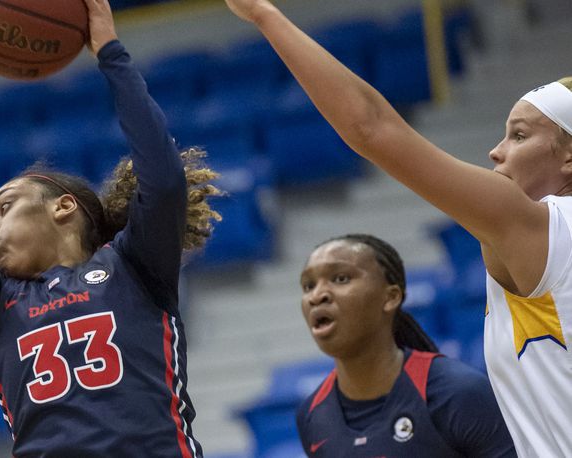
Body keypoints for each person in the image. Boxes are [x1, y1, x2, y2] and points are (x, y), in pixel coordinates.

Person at [224, 0, 572, 456]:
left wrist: (263, 14)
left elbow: (372, 128)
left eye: (520, 135)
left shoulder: (543, 229)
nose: (496, 151)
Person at [0, 0, 221, 455]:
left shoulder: (134, 267)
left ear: (64, 207)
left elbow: (164, 180)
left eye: (5, 207)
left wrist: (110, 53)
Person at [297, 234, 515, 457]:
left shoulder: (459, 393)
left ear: (391, 297)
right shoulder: (312, 414)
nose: (316, 296)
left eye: (341, 278)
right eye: (308, 286)